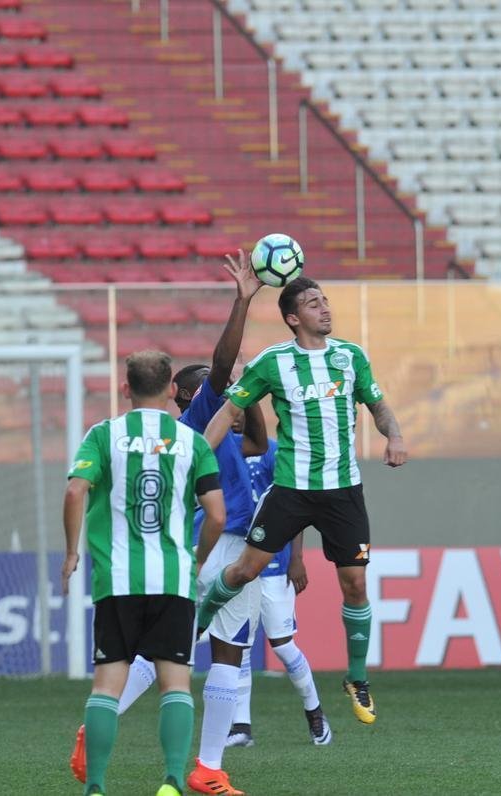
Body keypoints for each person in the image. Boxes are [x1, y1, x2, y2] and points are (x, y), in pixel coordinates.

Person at [70, 252, 267, 796]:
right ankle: (201, 769)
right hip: (216, 544)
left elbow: (256, 439)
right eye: (207, 383)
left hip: (207, 545)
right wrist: (242, 304)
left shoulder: (220, 422)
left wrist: (246, 388)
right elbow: (221, 367)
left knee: (175, 655)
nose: (219, 385)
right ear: (182, 394)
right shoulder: (195, 419)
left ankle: (108, 728)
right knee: (211, 656)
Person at [196, 276, 407, 726]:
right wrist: (197, 458)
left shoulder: (351, 357)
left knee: (354, 584)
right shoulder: (273, 362)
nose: (325, 309)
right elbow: (229, 411)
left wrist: (395, 435)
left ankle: (356, 677)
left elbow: (378, 406)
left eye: (325, 301)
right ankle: (200, 616)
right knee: (245, 570)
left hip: (343, 491)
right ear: (294, 318)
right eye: (314, 304)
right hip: (291, 489)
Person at [61, 349, 224, 796]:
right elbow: (216, 514)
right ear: (173, 390)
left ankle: (95, 786)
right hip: (172, 578)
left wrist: (72, 553)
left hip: (116, 579)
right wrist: (197, 557)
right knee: (175, 683)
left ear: (126, 389)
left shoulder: (104, 434)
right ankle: (172, 780)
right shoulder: (192, 441)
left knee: (107, 686)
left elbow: (76, 491)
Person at [226, 435, 331, 748]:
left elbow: (293, 505)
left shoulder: (270, 451)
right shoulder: (222, 446)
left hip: (273, 564)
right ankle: (240, 727)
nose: (234, 417)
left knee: (283, 646)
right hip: (237, 561)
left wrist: (296, 558)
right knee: (239, 644)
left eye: (240, 411)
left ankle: (314, 712)